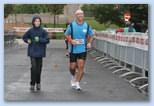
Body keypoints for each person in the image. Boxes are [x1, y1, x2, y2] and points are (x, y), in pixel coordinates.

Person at [64, 9, 94, 91]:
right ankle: (73, 76)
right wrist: (71, 41)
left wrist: (89, 43)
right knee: (72, 67)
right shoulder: (71, 25)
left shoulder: (87, 26)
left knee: (81, 66)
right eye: (78, 14)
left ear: (83, 16)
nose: (80, 16)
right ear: (76, 16)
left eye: (82, 14)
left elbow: (91, 35)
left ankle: (77, 83)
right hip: (73, 50)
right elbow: (66, 35)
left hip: (83, 50)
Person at [23, 16, 50, 92]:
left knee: (38, 69)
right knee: (34, 67)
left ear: (40, 22)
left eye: (38, 21)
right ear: (33, 22)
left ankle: (38, 83)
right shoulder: (30, 31)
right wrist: (27, 40)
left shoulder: (43, 31)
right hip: (32, 51)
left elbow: (47, 40)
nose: (37, 22)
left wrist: (40, 39)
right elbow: (24, 37)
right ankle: (32, 84)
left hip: (40, 52)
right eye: (36, 21)